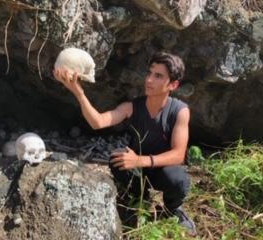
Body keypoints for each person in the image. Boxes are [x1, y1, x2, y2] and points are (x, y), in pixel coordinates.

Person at [53, 52, 196, 234]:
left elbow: (178, 155)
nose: (149, 80)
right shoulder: (133, 106)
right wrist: (78, 92)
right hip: (137, 169)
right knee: (117, 159)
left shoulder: (180, 111)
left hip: (162, 169)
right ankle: (137, 198)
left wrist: (140, 160)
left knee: (178, 179)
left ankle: (172, 209)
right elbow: (98, 122)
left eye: (158, 76)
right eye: (150, 73)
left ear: (173, 85)